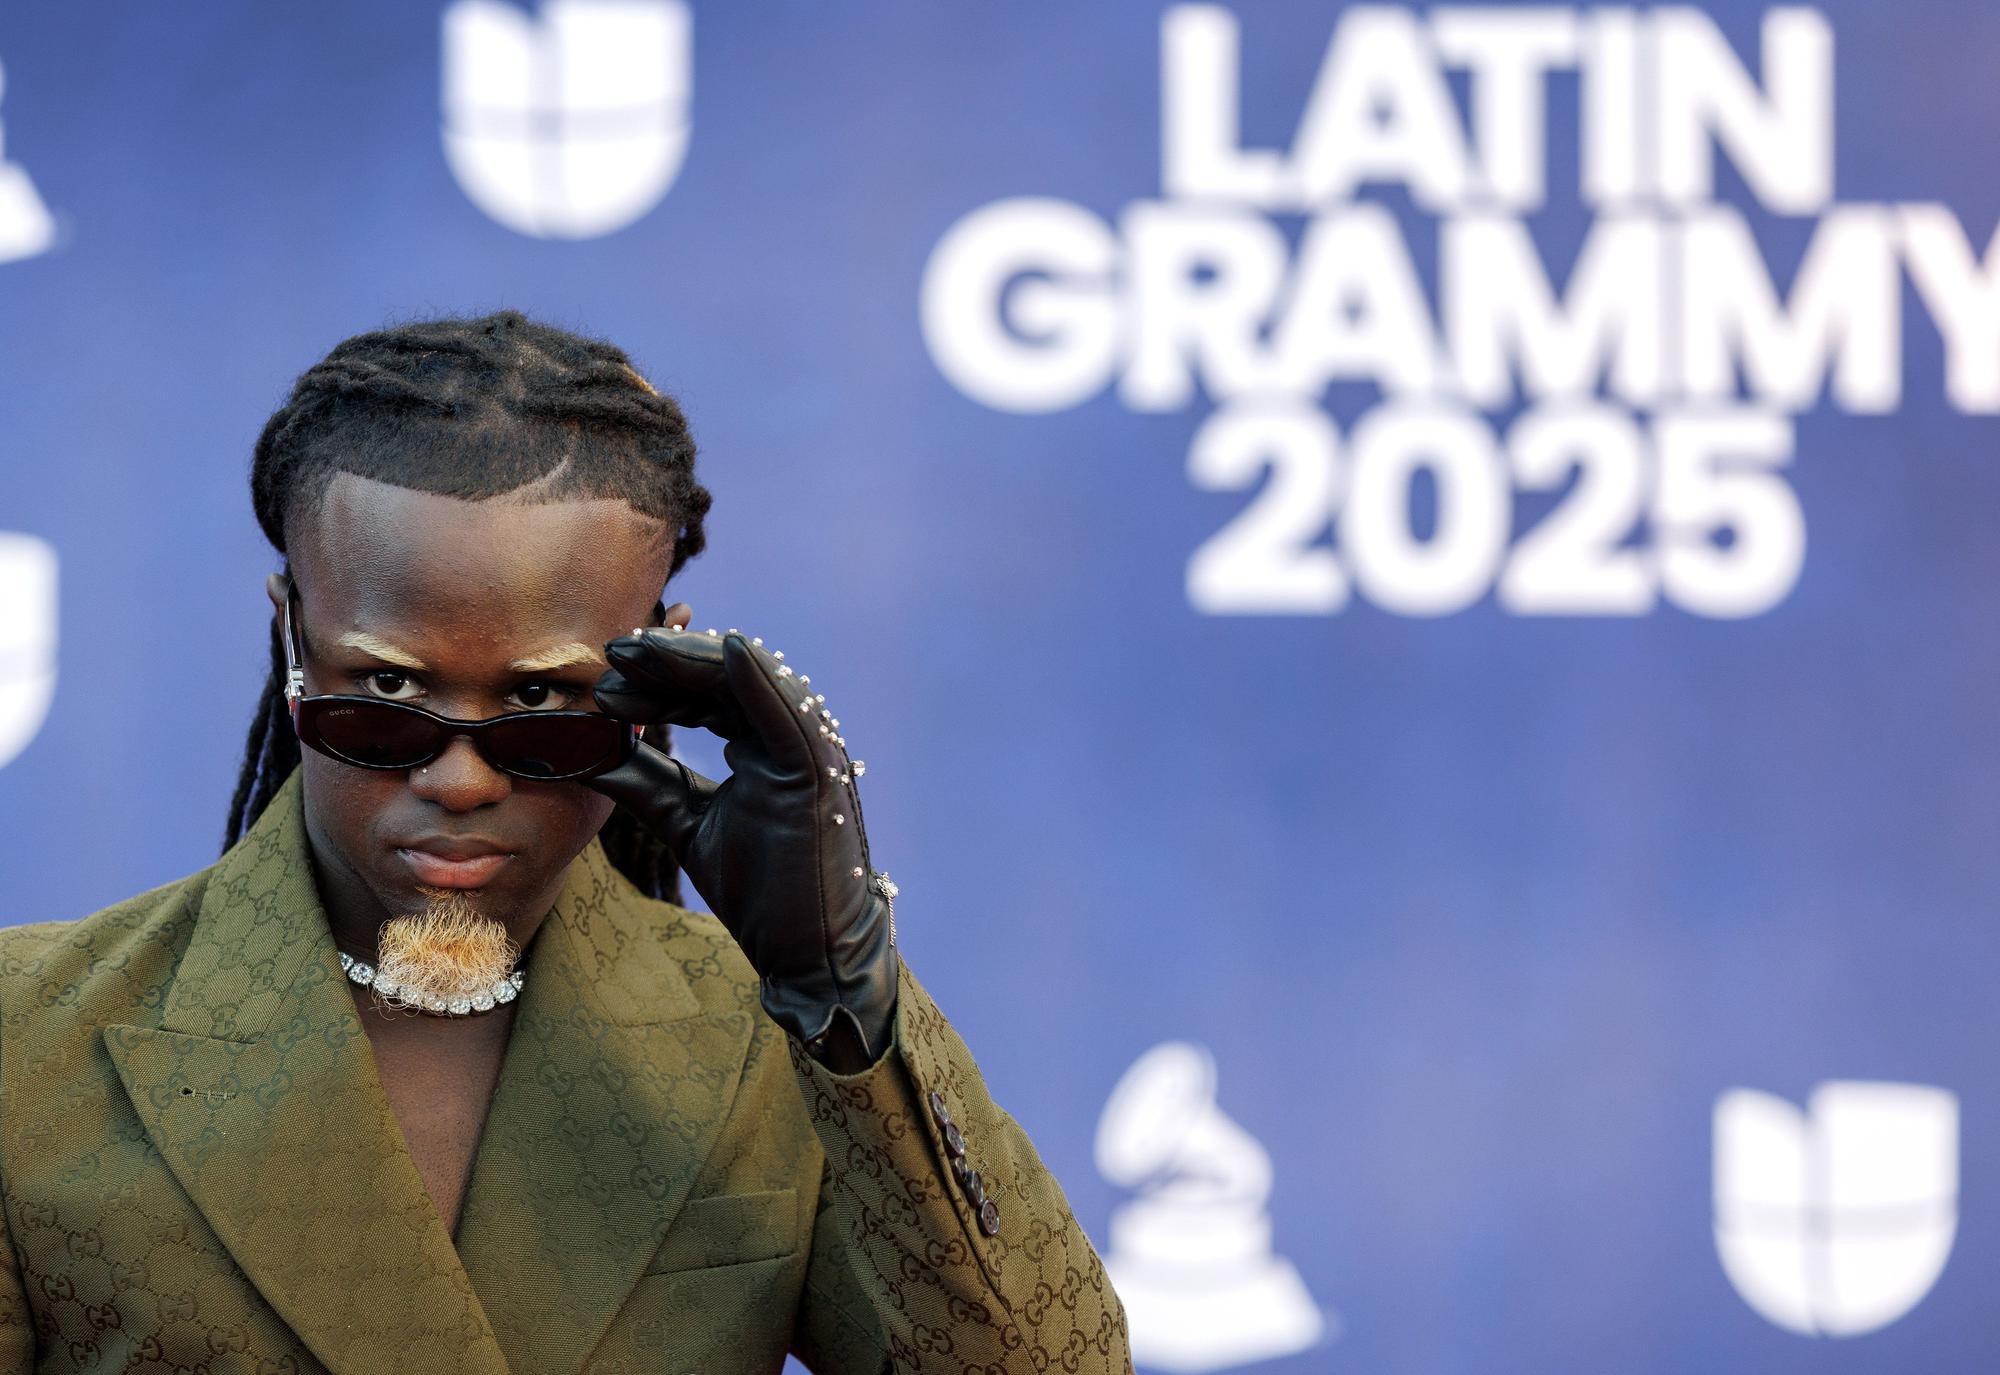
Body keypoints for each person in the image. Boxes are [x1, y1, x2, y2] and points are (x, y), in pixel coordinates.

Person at [0, 311, 1131, 1373]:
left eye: (546, 704)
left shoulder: (773, 1043)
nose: (459, 778)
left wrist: (842, 988)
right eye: (384, 691)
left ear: (664, 668)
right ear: (290, 633)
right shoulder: (27, 1037)